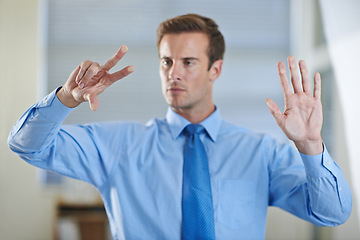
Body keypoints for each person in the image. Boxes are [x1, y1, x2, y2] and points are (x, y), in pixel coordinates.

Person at [8, 14, 352, 239]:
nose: (173, 72)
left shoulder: (261, 153)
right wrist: (65, 98)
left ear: (215, 70)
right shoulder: (118, 145)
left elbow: (333, 213)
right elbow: (27, 145)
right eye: (167, 61)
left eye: (188, 62)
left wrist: (310, 145)